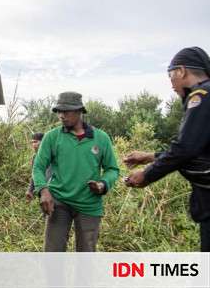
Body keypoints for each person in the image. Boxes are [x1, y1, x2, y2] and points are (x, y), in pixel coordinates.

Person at [124, 46, 210, 251]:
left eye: (170, 75)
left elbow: (185, 149)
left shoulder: (201, 96)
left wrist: (147, 175)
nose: (171, 83)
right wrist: (150, 156)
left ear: (181, 71)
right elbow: (198, 148)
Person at [33, 92, 119, 251]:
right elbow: (38, 167)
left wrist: (103, 183)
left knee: (86, 255)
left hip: (89, 205)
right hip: (58, 202)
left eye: (66, 111)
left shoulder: (101, 138)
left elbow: (112, 169)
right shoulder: (52, 137)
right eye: (59, 111)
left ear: (79, 111)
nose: (61, 115)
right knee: (53, 253)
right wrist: (43, 190)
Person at [26, 132, 47, 201]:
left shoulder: (52, 154)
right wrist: (30, 190)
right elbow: (34, 174)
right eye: (32, 142)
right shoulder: (35, 157)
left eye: (35, 142)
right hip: (42, 191)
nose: (33, 145)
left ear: (43, 142)